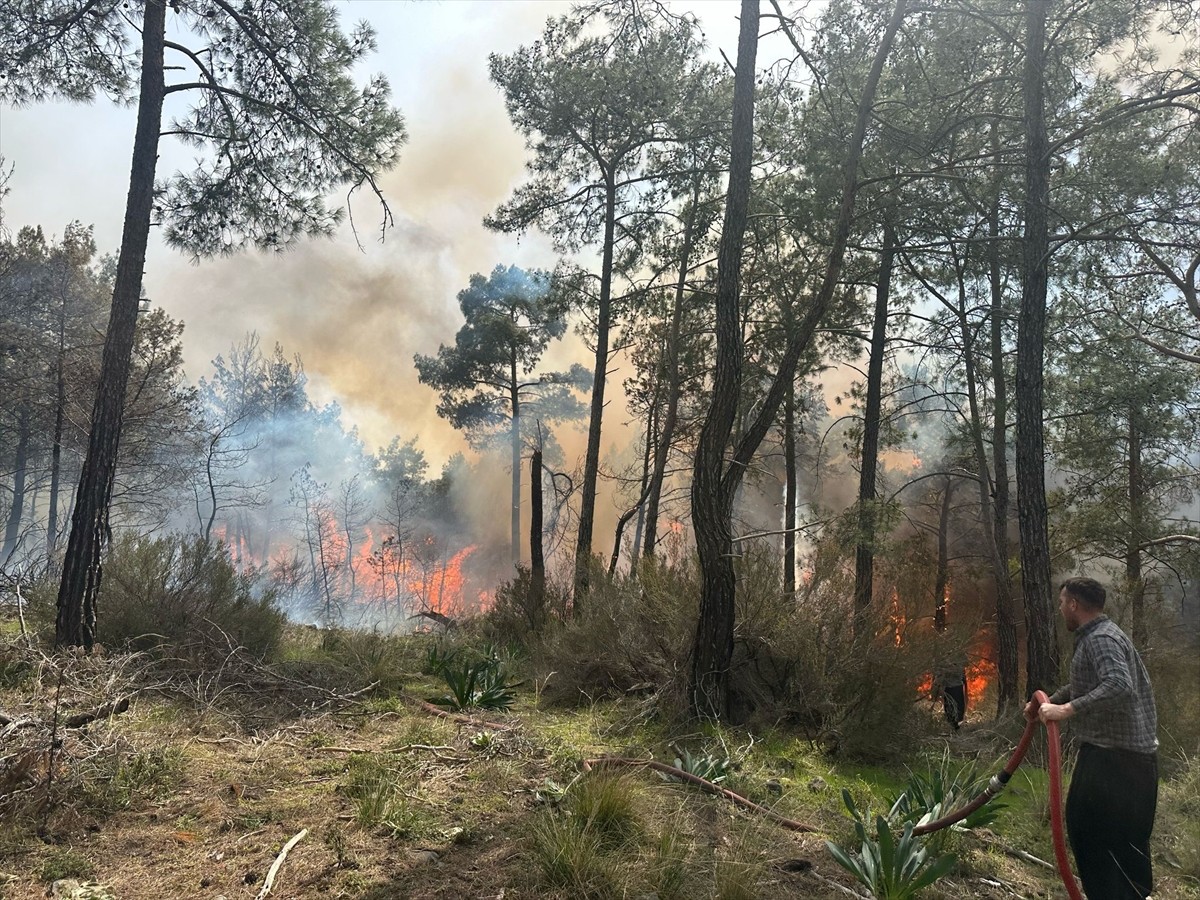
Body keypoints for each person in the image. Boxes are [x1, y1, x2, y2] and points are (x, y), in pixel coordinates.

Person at [1023, 577, 1158, 900]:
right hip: (1131, 763)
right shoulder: (1101, 635)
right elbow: (1089, 683)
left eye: (1061, 603)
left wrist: (1066, 709)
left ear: (1073, 605)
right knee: (1122, 848)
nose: (1059, 610)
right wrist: (1047, 702)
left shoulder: (1100, 640)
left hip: (1114, 763)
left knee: (1091, 834)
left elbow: (1117, 685)